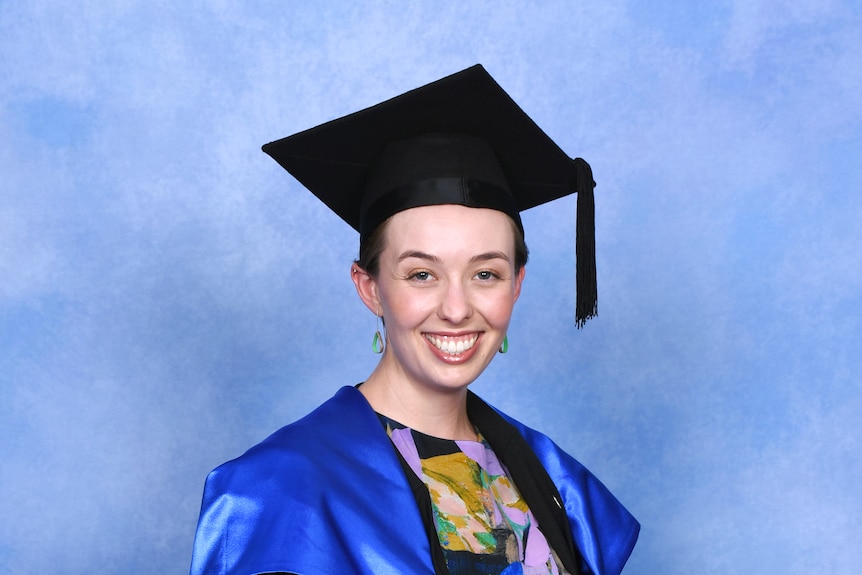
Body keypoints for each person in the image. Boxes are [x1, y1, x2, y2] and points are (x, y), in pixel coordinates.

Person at [190, 65, 639, 575]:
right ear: (370, 288)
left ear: (517, 285)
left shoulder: (553, 479)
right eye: (422, 274)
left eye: (486, 273)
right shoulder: (284, 488)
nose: (455, 308)